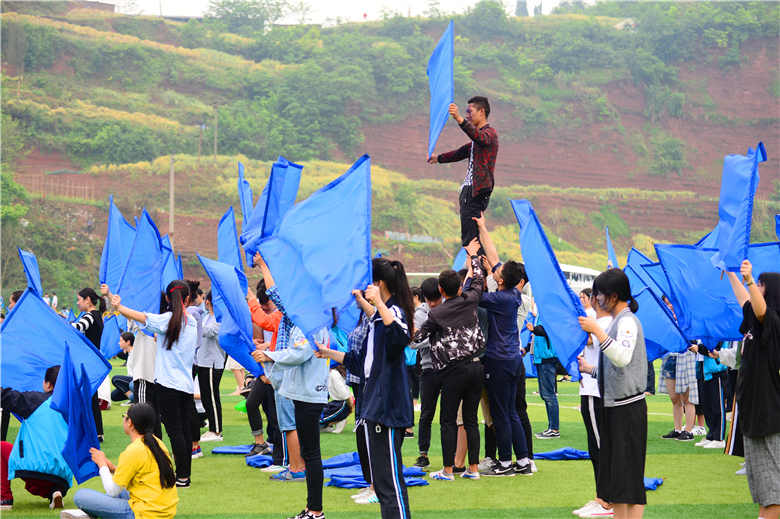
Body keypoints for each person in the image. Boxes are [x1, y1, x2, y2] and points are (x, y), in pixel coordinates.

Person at [316, 257, 415, 519]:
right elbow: (359, 362)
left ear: (379, 284)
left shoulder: (394, 311)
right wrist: (328, 352)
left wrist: (378, 302)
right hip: (373, 405)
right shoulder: (378, 320)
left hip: (387, 407)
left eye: (372, 283)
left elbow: (401, 337)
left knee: (390, 481)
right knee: (382, 482)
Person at [254, 252, 330, 519]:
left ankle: (316, 511)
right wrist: (264, 265)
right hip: (304, 392)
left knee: (312, 454)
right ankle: (312, 508)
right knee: (311, 453)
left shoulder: (311, 322)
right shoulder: (307, 316)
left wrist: (270, 355)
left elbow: (300, 352)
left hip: (310, 394)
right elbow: (276, 294)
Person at [109, 280, 198, 488]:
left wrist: (119, 307)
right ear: (186, 299)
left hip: (167, 384)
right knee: (183, 431)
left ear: (168, 299)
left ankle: (177, 475)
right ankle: (184, 476)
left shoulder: (168, 320)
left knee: (173, 431)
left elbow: (141, 317)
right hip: (185, 384)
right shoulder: (191, 322)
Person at [578, 269, 648, 519]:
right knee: (619, 478)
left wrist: (597, 330)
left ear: (613, 296)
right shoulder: (620, 321)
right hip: (616, 407)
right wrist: (591, 369)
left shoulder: (627, 321)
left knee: (629, 477)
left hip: (627, 408)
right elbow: (617, 367)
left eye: (598, 295)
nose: (595, 300)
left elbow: (622, 357)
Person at [414, 239, 485, 481]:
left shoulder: (436, 313)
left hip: (453, 371)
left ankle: (447, 470)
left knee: (447, 420)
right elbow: (477, 277)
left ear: (441, 291)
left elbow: (414, 340)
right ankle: (473, 469)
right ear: (459, 287)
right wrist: (473, 256)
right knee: (472, 419)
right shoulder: (472, 298)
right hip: (477, 366)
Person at [473, 215, 533, 476]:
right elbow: (495, 255)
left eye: (499, 270)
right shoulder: (514, 294)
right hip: (514, 361)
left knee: (501, 413)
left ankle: (505, 463)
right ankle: (523, 461)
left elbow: (475, 296)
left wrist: (475, 270)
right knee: (512, 412)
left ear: (502, 279)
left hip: (498, 360)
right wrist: (483, 227)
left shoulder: (499, 298)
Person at [726, 262, 780, 519]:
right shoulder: (755, 322)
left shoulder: (774, 325)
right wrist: (731, 273)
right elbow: (746, 301)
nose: (755, 288)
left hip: (770, 419)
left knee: (774, 492)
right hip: (754, 417)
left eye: (760, 285)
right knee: (762, 491)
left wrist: (748, 279)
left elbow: (761, 310)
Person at [65, 403, 178, 519]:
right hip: (165, 510)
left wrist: (102, 465)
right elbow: (139, 476)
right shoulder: (158, 443)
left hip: (144, 513)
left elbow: (112, 490)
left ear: (130, 423)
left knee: (80, 496)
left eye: (125, 416)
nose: (124, 419)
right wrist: (113, 469)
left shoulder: (133, 450)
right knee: (115, 494)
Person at [427, 97, 498, 248]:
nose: (467, 115)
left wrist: (458, 118)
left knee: (470, 237)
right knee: (472, 234)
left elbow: (478, 137)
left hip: (475, 190)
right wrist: (438, 158)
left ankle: (475, 269)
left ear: (481, 111)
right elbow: (459, 153)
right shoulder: (476, 142)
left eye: (469, 111)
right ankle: (476, 266)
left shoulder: (489, 134)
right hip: (471, 191)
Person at [1, 366, 71, 511]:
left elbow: (6, 397)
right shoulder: (73, 410)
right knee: (50, 474)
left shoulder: (34, 400)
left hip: (34, 470)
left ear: (47, 384)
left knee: (1, 447)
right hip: (62, 478)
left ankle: (4, 498)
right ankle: (55, 493)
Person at [572, 292, 614, 518]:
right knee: (595, 447)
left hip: (594, 389)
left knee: (600, 447)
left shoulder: (602, 321)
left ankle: (606, 500)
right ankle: (602, 496)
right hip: (592, 387)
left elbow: (590, 339)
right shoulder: (599, 319)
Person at [246, 279, 283, 464]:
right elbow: (262, 328)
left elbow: (267, 324)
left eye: (267, 304)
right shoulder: (270, 316)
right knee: (253, 404)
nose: (265, 308)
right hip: (265, 371)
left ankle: (281, 455)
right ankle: (262, 443)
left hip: (279, 370)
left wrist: (251, 299)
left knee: (275, 414)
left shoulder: (282, 315)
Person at [411, 277, 442, 469]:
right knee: (426, 413)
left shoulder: (449, 308)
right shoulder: (419, 315)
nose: (432, 303)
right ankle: (423, 453)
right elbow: (414, 342)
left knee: (451, 415)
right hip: (429, 367)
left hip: (448, 367)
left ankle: (453, 455)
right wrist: (436, 340)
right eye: (429, 299)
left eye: (435, 298)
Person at [73, 288, 106, 441]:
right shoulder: (98, 315)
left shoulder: (89, 316)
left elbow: (78, 328)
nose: (78, 303)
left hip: (89, 362)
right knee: (91, 397)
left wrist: (59, 322)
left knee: (87, 396)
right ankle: (97, 432)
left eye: (79, 299)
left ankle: (91, 432)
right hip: (94, 360)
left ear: (87, 300)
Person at [195, 291, 226, 442]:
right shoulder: (207, 316)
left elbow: (210, 331)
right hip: (203, 361)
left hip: (213, 362)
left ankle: (217, 430)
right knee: (206, 396)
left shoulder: (219, 318)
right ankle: (212, 427)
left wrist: (194, 321)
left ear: (208, 301)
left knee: (212, 397)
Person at [529, 314, 559, 439]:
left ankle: (554, 428)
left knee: (549, 395)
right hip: (542, 358)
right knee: (546, 394)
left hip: (547, 358)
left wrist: (534, 329)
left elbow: (548, 330)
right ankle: (552, 427)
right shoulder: (542, 312)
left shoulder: (549, 312)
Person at [111, 333, 137, 404]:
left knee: (115, 379)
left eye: (121, 341)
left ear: (128, 342)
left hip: (136, 380)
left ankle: (133, 399)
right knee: (114, 396)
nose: (119, 343)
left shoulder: (136, 353)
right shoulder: (129, 353)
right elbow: (119, 354)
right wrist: (126, 349)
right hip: (130, 380)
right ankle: (134, 396)